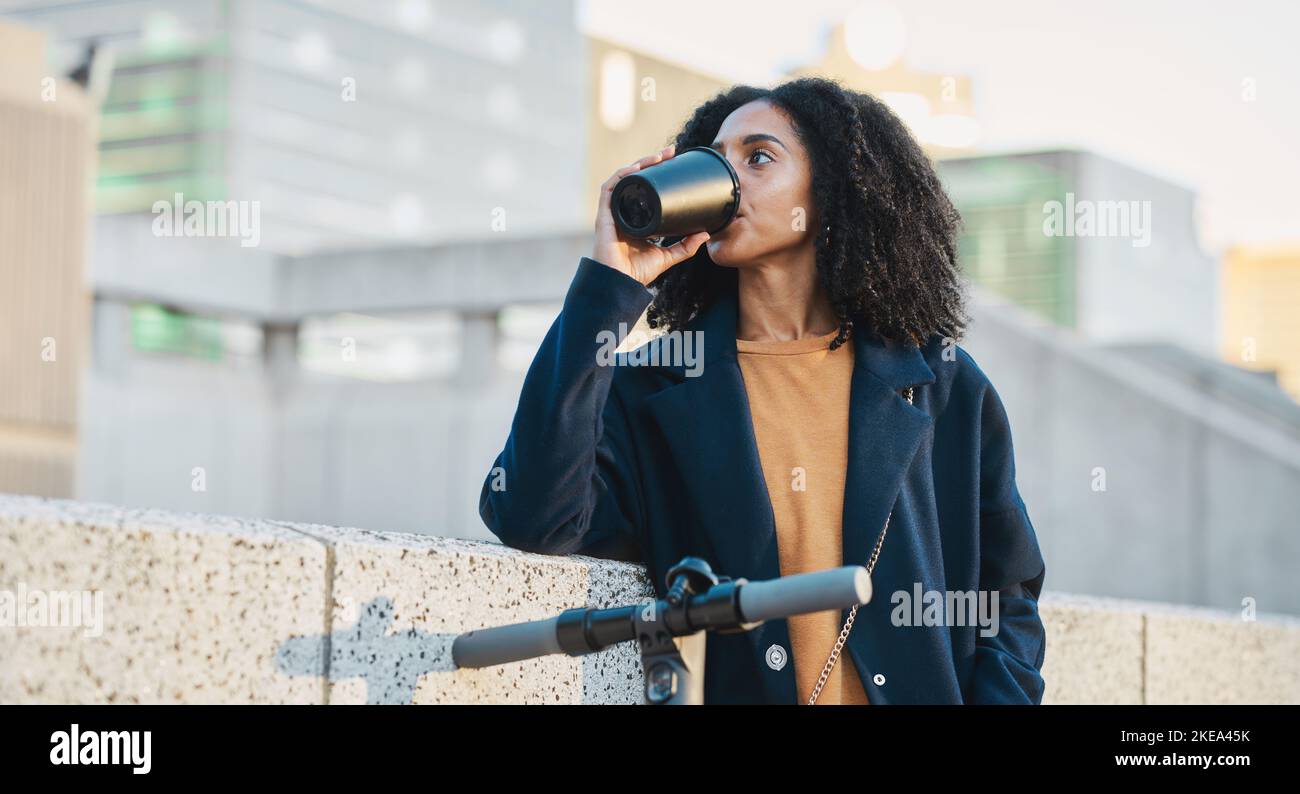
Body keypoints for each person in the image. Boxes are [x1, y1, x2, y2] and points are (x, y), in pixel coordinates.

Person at [480, 76, 1047, 705]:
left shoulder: (942, 385)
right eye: (717, 160)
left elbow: (1007, 597)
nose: (729, 180)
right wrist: (608, 289)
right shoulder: (654, 387)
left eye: (760, 157)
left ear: (833, 192)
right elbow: (534, 516)